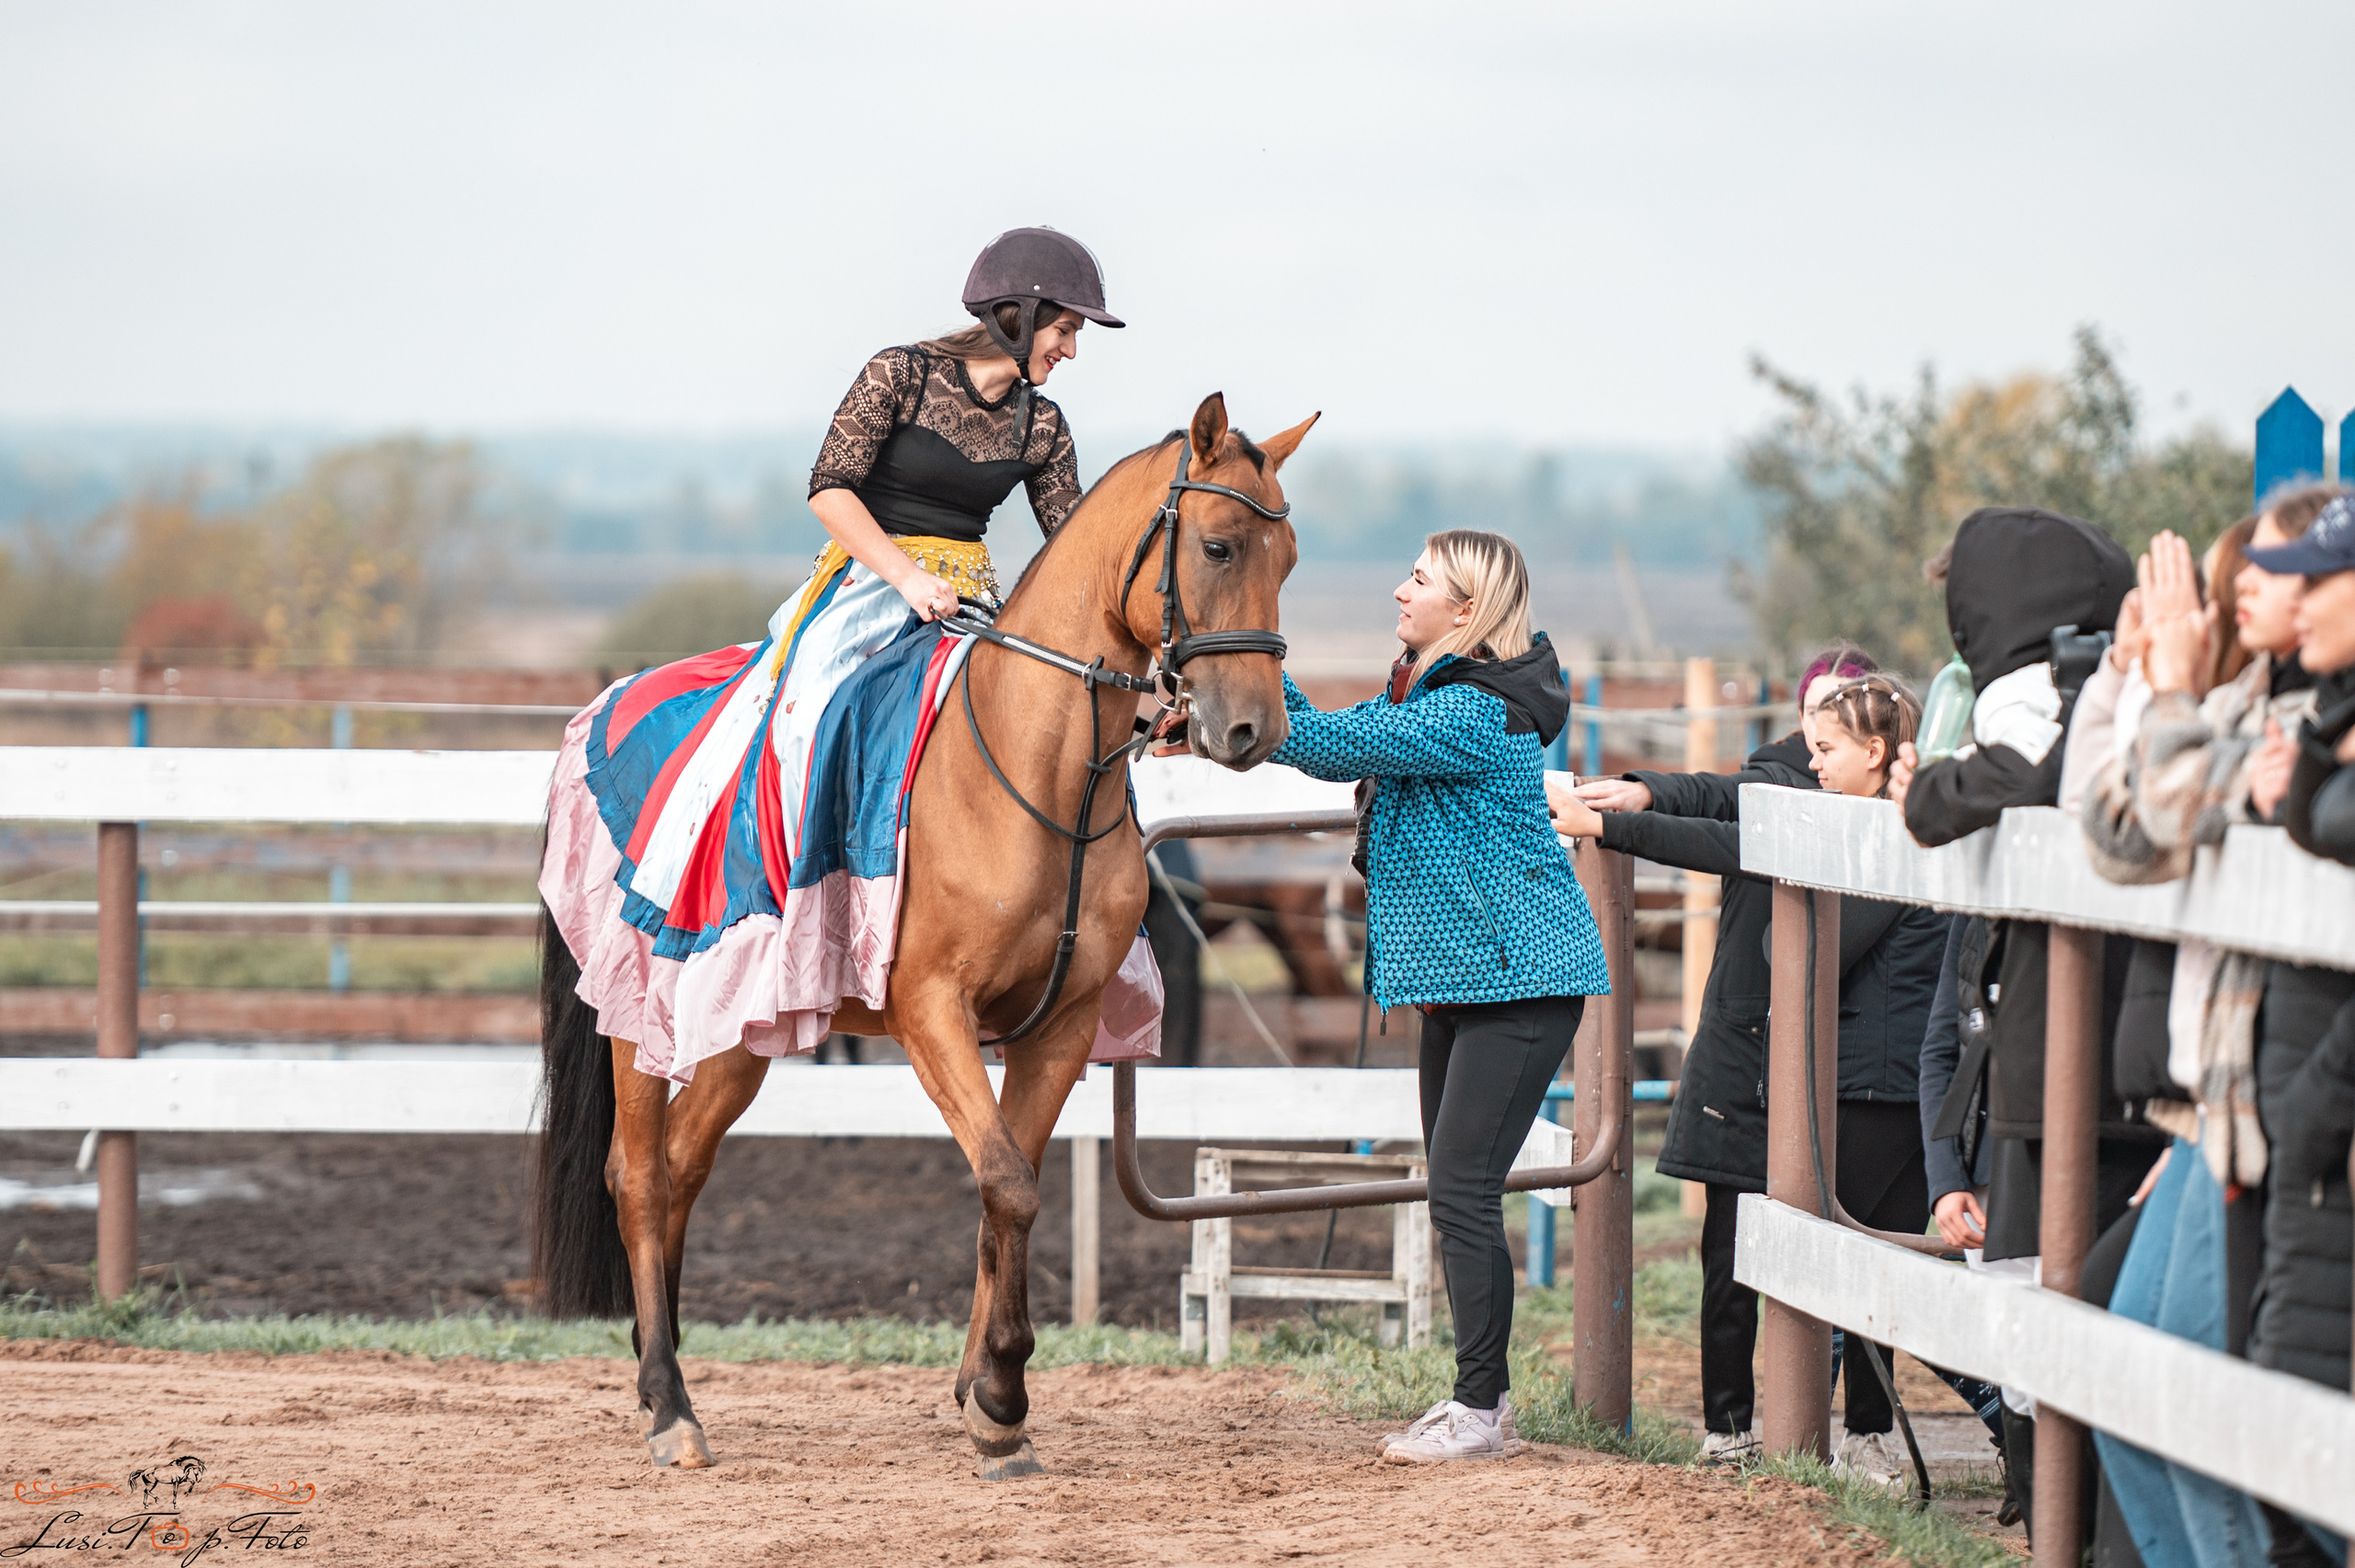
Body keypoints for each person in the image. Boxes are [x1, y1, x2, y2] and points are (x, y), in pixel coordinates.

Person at [539, 227, 1155, 1084]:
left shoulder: (1041, 425)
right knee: (806, 721)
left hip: (967, 604)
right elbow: (830, 487)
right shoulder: (897, 375)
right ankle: (787, 914)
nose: (1071, 347)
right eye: (1065, 327)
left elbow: (1080, 551)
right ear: (1017, 316)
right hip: (866, 588)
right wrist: (904, 576)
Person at [1269, 530, 1608, 1465]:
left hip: (1520, 984)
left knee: (1460, 1189)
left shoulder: (1468, 713)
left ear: (1466, 611)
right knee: (1455, 1190)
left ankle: (1480, 1408)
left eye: (1416, 581)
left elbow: (1331, 746)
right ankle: (1476, 1400)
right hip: (1471, 985)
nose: (1396, 591)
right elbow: (1340, 733)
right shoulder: (1437, 694)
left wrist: (1254, 660)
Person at [1550, 644, 1880, 1465]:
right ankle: (1726, 1428)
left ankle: (1859, 1434)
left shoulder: (1887, 812)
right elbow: (1716, 801)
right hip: (1747, 1046)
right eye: (1816, 711)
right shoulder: (1775, 782)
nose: (1821, 729)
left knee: (1854, 1250)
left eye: (1842, 711)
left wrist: (1632, 806)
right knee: (1728, 1252)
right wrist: (1644, 792)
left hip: (1836, 1055)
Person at [1797, 675, 1960, 1492]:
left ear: (1876, 752)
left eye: (1826, 749)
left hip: (1874, 1078)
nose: (1812, 765)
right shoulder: (1907, 827)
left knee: (1839, 1262)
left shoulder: (1885, 842)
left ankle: (1813, 1437)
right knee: (1880, 1267)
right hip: (1899, 1079)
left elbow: (1812, 958)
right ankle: (1864, 1435)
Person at [2234, 491, 2355, 1565]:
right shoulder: (2323, 711)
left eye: (2320, 577)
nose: (2293, 599)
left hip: (2323, 1122)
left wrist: (2318, 1096)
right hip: (2306, 1131)